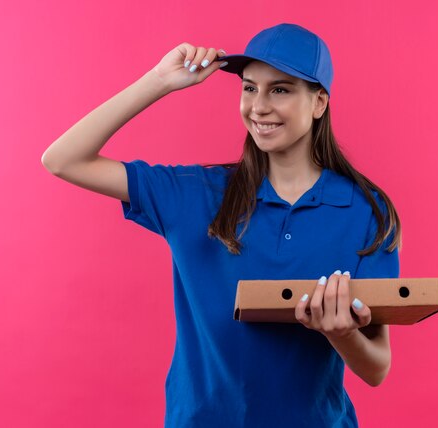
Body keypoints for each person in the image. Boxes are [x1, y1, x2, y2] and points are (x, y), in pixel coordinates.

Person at [42, 22, 402, 428]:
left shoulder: (365, 212)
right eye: (249, 88)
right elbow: (62, 159)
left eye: (279, 89)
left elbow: (376, 368)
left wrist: (341, 334)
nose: (258, 106)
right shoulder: (196, 194)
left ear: (319, 102)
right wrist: (158, 81)